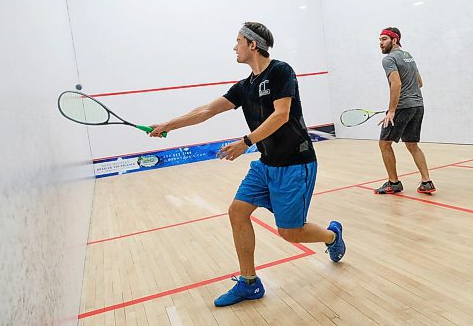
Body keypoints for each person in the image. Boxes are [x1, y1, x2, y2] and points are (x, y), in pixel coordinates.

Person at [149, 22, 345, 307]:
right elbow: (206, 110)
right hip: (266, 165)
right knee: (237, 212)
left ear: (253, 45)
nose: (234, 47)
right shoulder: (245, 87)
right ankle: (249, 283)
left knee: (291, 233)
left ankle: (332, 235)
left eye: (238, 41)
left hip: (294, 164)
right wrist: (168, 125)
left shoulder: (281, 71)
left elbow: (281, 115)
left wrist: (246, 142)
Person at [375, 27, 436, 195]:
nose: (380, 43)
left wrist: (392, 111)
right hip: (418, 105)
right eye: (379, 40)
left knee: (384, 143)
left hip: (403, 107)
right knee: (412, 144)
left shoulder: (389, 59)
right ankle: (426, 182)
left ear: (395, 40)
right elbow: (420, 82)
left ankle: (393, 183)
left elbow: (396, 84)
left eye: (384, 39)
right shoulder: (408, 56)